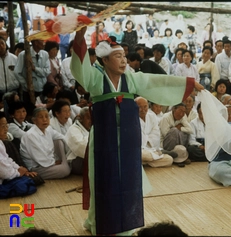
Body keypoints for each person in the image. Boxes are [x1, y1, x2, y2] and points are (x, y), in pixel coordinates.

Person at [70, 26, 204, 236]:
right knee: (103, 180)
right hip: (104, 140)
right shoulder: (95, 78)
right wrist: (79, 38)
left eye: (124, 56)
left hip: (128, 139)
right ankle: (100, 223)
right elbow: (80, 69)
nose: (124, 60)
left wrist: (188, 84)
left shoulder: (130, 78)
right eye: (117, 56)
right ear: (104, 60)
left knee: (128, 181)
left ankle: (126, 225)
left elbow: (155, 81)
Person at [20, 107, 70, 180]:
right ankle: (66, 164)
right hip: (37, 167)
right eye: (41, 117)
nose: (45, 119)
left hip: (50, 161)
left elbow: (63, 137)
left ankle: (66, 163)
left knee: (59, 140)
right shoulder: (30, 135)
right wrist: (53, 162)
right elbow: (40, 158)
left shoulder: (48, 129)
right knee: (65, 170)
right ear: (34, 120)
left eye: (47, 116)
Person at [135, 97, 173, 168]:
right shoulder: (131, 119)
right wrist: (147, 138)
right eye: (139, 107)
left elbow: (156, 134)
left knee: (169, 160)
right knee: (141, 154)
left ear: (148, 106)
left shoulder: (152, 116)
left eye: (145, 106)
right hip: (139, 149)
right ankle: (147, 160)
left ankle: (144, 162)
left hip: (152, 148)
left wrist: (147, 140)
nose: (143, 110)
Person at [14, 34, 50, 104]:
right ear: (36, 43)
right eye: (42, 41)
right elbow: (17, 72)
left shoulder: (45, 54)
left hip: (42, 88)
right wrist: (26, 85)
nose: (44, 43)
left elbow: (47, 71)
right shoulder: (24, 54)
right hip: (29, 90)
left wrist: (35, 69)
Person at [65, 107, 91, 175]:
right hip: (76, 161)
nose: (91, 121)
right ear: (81, 118)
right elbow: (81, 147)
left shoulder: (91, 128)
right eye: (88, 118)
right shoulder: (73, 129)